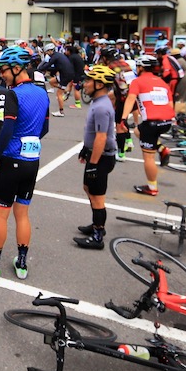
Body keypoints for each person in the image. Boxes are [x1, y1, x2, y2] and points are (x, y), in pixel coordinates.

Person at [0, 47, 49, 280]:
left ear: (17, 69)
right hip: (32, 161)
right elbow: (44, 128)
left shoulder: (13, 94)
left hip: (11, 160)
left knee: (0, 214)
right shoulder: (42, 93)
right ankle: (22, 263)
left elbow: (7, 128)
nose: (2, 75)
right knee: (23, 214)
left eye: (4, 70)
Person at [73, 65, 120, 250]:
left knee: (97, 196)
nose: (85, 84)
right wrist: (86, 148)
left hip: (102, 157)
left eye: (88, 81)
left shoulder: (102, 107)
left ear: (99, 84)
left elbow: (102, 137)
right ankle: (96, 224)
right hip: (96, 153)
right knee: (88, 188)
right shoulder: (98, 101)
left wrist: (93, 164)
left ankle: (98, 235)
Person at [120, 54, 173, 197]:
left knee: (148, 157)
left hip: (152, 123)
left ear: (141, 67)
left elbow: (131, 99)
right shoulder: (162, 82)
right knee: (138, 131)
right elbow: (170, 104)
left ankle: (152, 187)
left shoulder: (137, 81)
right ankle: (161, 148)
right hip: (167, 121)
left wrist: (123, 118)